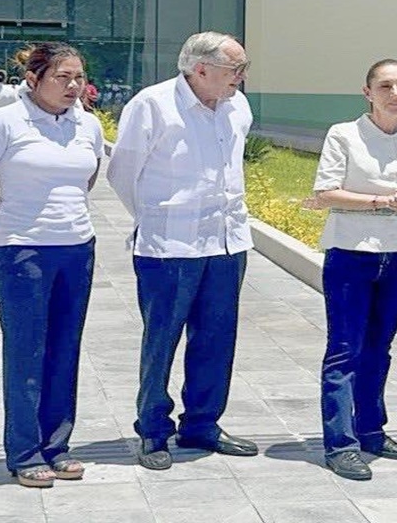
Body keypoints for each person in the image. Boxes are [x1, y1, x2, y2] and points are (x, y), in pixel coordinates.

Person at [106, 31, 258, 471]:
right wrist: (158, 221)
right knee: (162, 340)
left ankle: (203, 424)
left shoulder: (237, 107)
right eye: (236, 69)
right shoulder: (152, 105)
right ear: (201, 69)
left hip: (227, 242)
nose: (242, 79)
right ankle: (153, 430)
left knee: (216, 339)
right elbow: (123, 173)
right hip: (168, 246)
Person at [0, 42, 104, 487]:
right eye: (63, 77)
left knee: (65, 348)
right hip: (23, 254)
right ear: (34, 79)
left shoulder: (88, 125)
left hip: (77, 250)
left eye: (79, 77)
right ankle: (24, 451)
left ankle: (57, 445)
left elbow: (88, 175)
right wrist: (9, 224)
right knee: (26, 351)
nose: (74, 86)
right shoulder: (5, 122)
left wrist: (64, 214)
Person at [302, 59, 397, 481]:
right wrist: (383, 202)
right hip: (351, 252)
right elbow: (325, 193)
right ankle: (340, 443)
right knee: (345, 348)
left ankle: (371, 429)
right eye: (386, 86)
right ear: (367, 92)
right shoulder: (344, 135)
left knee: (379, 347)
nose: (395, 94)